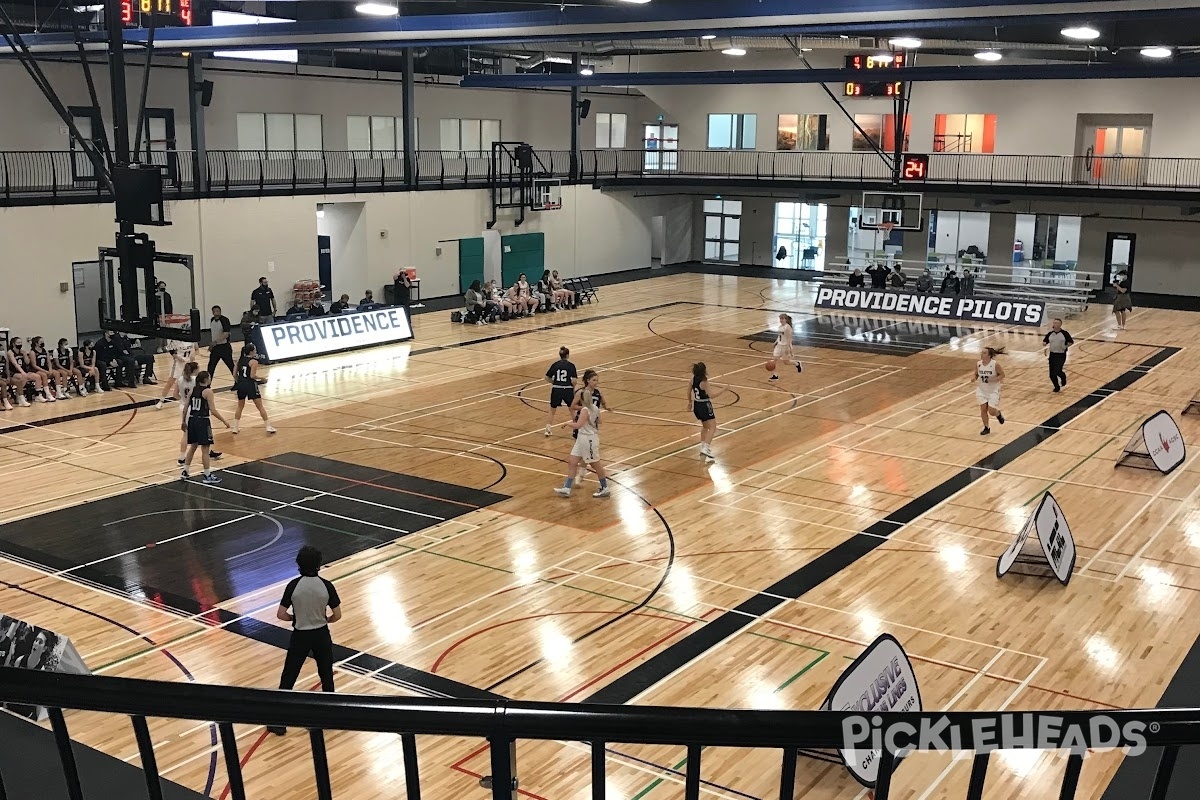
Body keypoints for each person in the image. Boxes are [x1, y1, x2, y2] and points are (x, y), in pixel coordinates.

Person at [268, 545, 342, 736]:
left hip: (300, 636)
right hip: (321, 635)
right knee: (326, 675)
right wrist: (325, 620)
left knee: (289, 677)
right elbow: (337, 614)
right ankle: (332, 717)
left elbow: (281, 614)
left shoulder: (293, 586)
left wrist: (296, 618)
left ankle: (279, 722)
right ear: (319, 564)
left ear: (299, 565)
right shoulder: (326, 585)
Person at [554, 370, 610, 498]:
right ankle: (567, 488)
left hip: (589, 438)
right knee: (572, 461)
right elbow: (600, 421)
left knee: (596, 464)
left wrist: (567, 424)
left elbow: (578, 425)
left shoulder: (586, 409)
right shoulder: (594, 408)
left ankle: (605, 487)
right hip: (582, 437)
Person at [180, 370, 231, 484]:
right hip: (202, 421)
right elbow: (213, 410)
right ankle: (207, 475)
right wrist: (224, 421)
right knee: (205, 449)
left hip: (192, 419)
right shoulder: (208, 391)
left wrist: (183, 422)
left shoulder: (192, 390)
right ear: (206, 379)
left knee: (193, 446)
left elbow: (185, 408)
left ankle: (185, 471)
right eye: (209, 378)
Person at [232, 343, 276, 434]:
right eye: (255, 350)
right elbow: (252, 376)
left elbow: (234, 374)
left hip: (241, 384)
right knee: (260, 406)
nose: (256, 351)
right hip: (250, 385)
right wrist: (262, 379)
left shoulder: (239, 360)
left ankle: (235, 428)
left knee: (240, 406)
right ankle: (268, 426)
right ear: (251, 351)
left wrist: (238, 381)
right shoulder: (254, 362)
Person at [690, 362, 726, 464]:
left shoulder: (693, 379)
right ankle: (706, 447)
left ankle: (703, 447)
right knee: (713, 427)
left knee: (705, 427)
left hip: (696, 405)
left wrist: (689, 402)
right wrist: (723, 390)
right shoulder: (704, 381)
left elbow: (688, 390)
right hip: (704, 405)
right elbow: (712, 395)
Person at [544, 346, 577, 436]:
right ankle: (576, 429)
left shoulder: (555, 365)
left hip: (556, 389)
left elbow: (547, 377)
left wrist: (554, 382)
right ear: (567, 355)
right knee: (572, 409)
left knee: (552, 410)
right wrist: (572, 388)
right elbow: (574, 381)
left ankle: (548, 429)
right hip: (567, 389)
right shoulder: (571, 365)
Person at [155, 333, 194, 410]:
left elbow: (196, 349)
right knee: (170, 383)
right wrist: (178, 358)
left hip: (188, 364)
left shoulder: (191, 339)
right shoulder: (176, 340)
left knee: (189, 383)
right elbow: (171, 351)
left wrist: (194, 355)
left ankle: (189, 400)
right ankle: (161, 401)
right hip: (178, 364)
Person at [975, 346, 1007, 436]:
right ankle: (986, 427)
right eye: (981, 352)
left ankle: (998, 414)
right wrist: (974, 377)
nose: (982, 354)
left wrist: (995, 379)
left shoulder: (995, 364)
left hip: (993, 391)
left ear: (989, 355)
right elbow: (976, 373)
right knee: (983, 409)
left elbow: (1002, 375)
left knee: (991, 411)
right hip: (981, 390)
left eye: (984, 353)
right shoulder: (978, 364)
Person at [10, 337, 51, 403]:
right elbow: (15, 364)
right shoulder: (10, 352)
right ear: (13, 344)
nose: (20, 344)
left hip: (24, 371)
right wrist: (23, 372)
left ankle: (38, 395)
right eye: (18, 343)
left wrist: (25, 355)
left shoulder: (22, 352)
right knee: (23, 377)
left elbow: (27, 362)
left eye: (21, 343)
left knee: (37, 377)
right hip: (14, 372)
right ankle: (19, 395)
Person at [1043, 318, 1074, 393]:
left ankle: (1063, 377)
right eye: (1054, 323)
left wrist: (1064, 347)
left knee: (1057, 370)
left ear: (1060, 325)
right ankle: (1056, 386)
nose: (1054, 324)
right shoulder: (1050, 333)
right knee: (1051, 374)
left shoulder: (1064, 333)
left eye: (1056, 323)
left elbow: (1071, 342)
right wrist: (1045, 345)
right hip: (1052, 354)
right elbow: (1045, 341)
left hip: (1061, 354)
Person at [769, 313, 803, 381]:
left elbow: (789, 338)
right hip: (779, 346)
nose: (781, 320)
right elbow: (779, 337)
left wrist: (787, 348)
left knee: (786, 362)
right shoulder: (780, 327)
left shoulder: (788, 327)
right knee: (774, 360)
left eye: (782, 319)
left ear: (786, 319)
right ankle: (775, 376)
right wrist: (775, 342)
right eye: (780, 319)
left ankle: (797, 363)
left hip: (785, 346)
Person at [207, 306, 236, 382]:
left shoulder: (225, 320)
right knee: (211, 367)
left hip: (224, 347)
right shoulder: (212, 320)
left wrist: (215, 342)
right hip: (215, 348)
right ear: (212, 312)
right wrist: (211, 346)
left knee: (231, 366)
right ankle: (207, 385)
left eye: (217, 311)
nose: (216, 313)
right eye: (214, 311)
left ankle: (238, 382)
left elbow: (226, 334)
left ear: (220, 311)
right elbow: (213, 334)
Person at [151, 281, 173, 353]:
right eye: (161, 286)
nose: (163, 288)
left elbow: (170, 306)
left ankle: (165, 346)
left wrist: (170, 316)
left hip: (166, 316)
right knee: (160, 332)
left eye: (164, 286)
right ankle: (159, 346)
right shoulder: (155, 296)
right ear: (158, 287)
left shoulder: (167, 295)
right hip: (159, 316)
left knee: (166, 332)